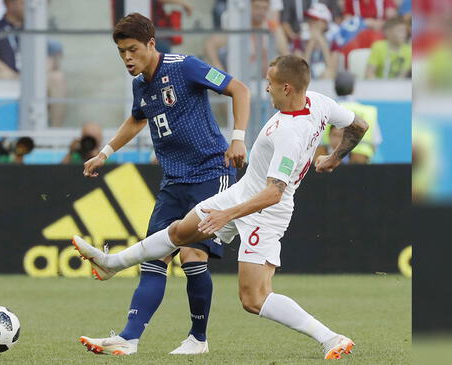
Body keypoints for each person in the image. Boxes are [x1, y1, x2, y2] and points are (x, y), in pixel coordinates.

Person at [72, 55, 368, 360]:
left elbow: (273, 194)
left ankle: (330, 337)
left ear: (288, 87)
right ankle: (112, 264)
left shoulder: (289, 133)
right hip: (242, 193)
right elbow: (359, 125)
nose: (267, 90)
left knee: (254, 298)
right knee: (179, 230)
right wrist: (334, 157)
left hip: (265, 212)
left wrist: (227, 215)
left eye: (271, 84)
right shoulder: (319, 102)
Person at [77, 13, 250, 356]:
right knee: (154, 258)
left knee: (191, 254)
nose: (127, 58)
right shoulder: (140, 83)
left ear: (151, 44)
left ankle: (198, 340)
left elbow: (239, 89)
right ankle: (128, 338)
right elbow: (136, 119)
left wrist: (239, 138)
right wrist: (106, 152)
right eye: (122, 52)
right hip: (174, 180)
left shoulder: (185, 66)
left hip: (211, 174)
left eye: (133, 49)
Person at [0, 0, 67, 126]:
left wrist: (36, 74)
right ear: (10, 4)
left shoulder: (35, 26)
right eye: (23, 2)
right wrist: (14, 75)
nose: (28, 6)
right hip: (10, 76)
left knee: (57, 78)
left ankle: (55, 133)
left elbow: (52, 58)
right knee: (2, 76)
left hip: (35, 77)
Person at [315, 71, 382, 164]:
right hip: (361, 165)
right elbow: (376, 142)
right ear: (353, 89)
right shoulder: (368, 112)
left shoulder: (326, 110)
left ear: (335, 88)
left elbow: (316, 141)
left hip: (327, 164)